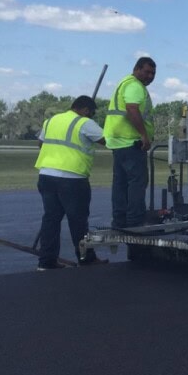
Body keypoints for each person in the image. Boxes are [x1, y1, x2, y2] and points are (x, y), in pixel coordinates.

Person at [34, 95, 107, 270]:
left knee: (51, 219)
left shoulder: (51, 120)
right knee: (78, 222)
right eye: (91, 114)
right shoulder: (84, 122)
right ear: (86, 110)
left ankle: (46, 262)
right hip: (72, 178)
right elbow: (107, 140)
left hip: (46, 175)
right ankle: (86, 259)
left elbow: (40, 143)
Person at [104, 56, 156, 229]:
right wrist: (144, 135)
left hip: (118, 142)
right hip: (130, 142)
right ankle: (134, 220)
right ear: (137, 69)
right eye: (147, 72)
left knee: (120, 183)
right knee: (137, 182)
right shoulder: (134, 86)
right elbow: (132, 109)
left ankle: (119, 220)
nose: (150, 76)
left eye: (153, 73)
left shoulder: (124, 83)